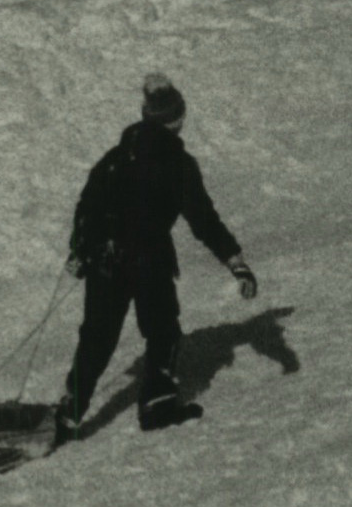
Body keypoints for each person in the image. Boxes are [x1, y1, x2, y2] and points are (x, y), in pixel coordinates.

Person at [54, 74, 255, 445]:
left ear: (145, 116)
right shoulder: (178, 163)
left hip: (104, 261)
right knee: (162, 330)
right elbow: (203, 219)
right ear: (178, 119)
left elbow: (88, 208)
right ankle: (157, 405)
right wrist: (235, 260)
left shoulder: (113, 158)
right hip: (150, 261)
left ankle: (69, 413)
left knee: (96, 338)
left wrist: (81, 250)